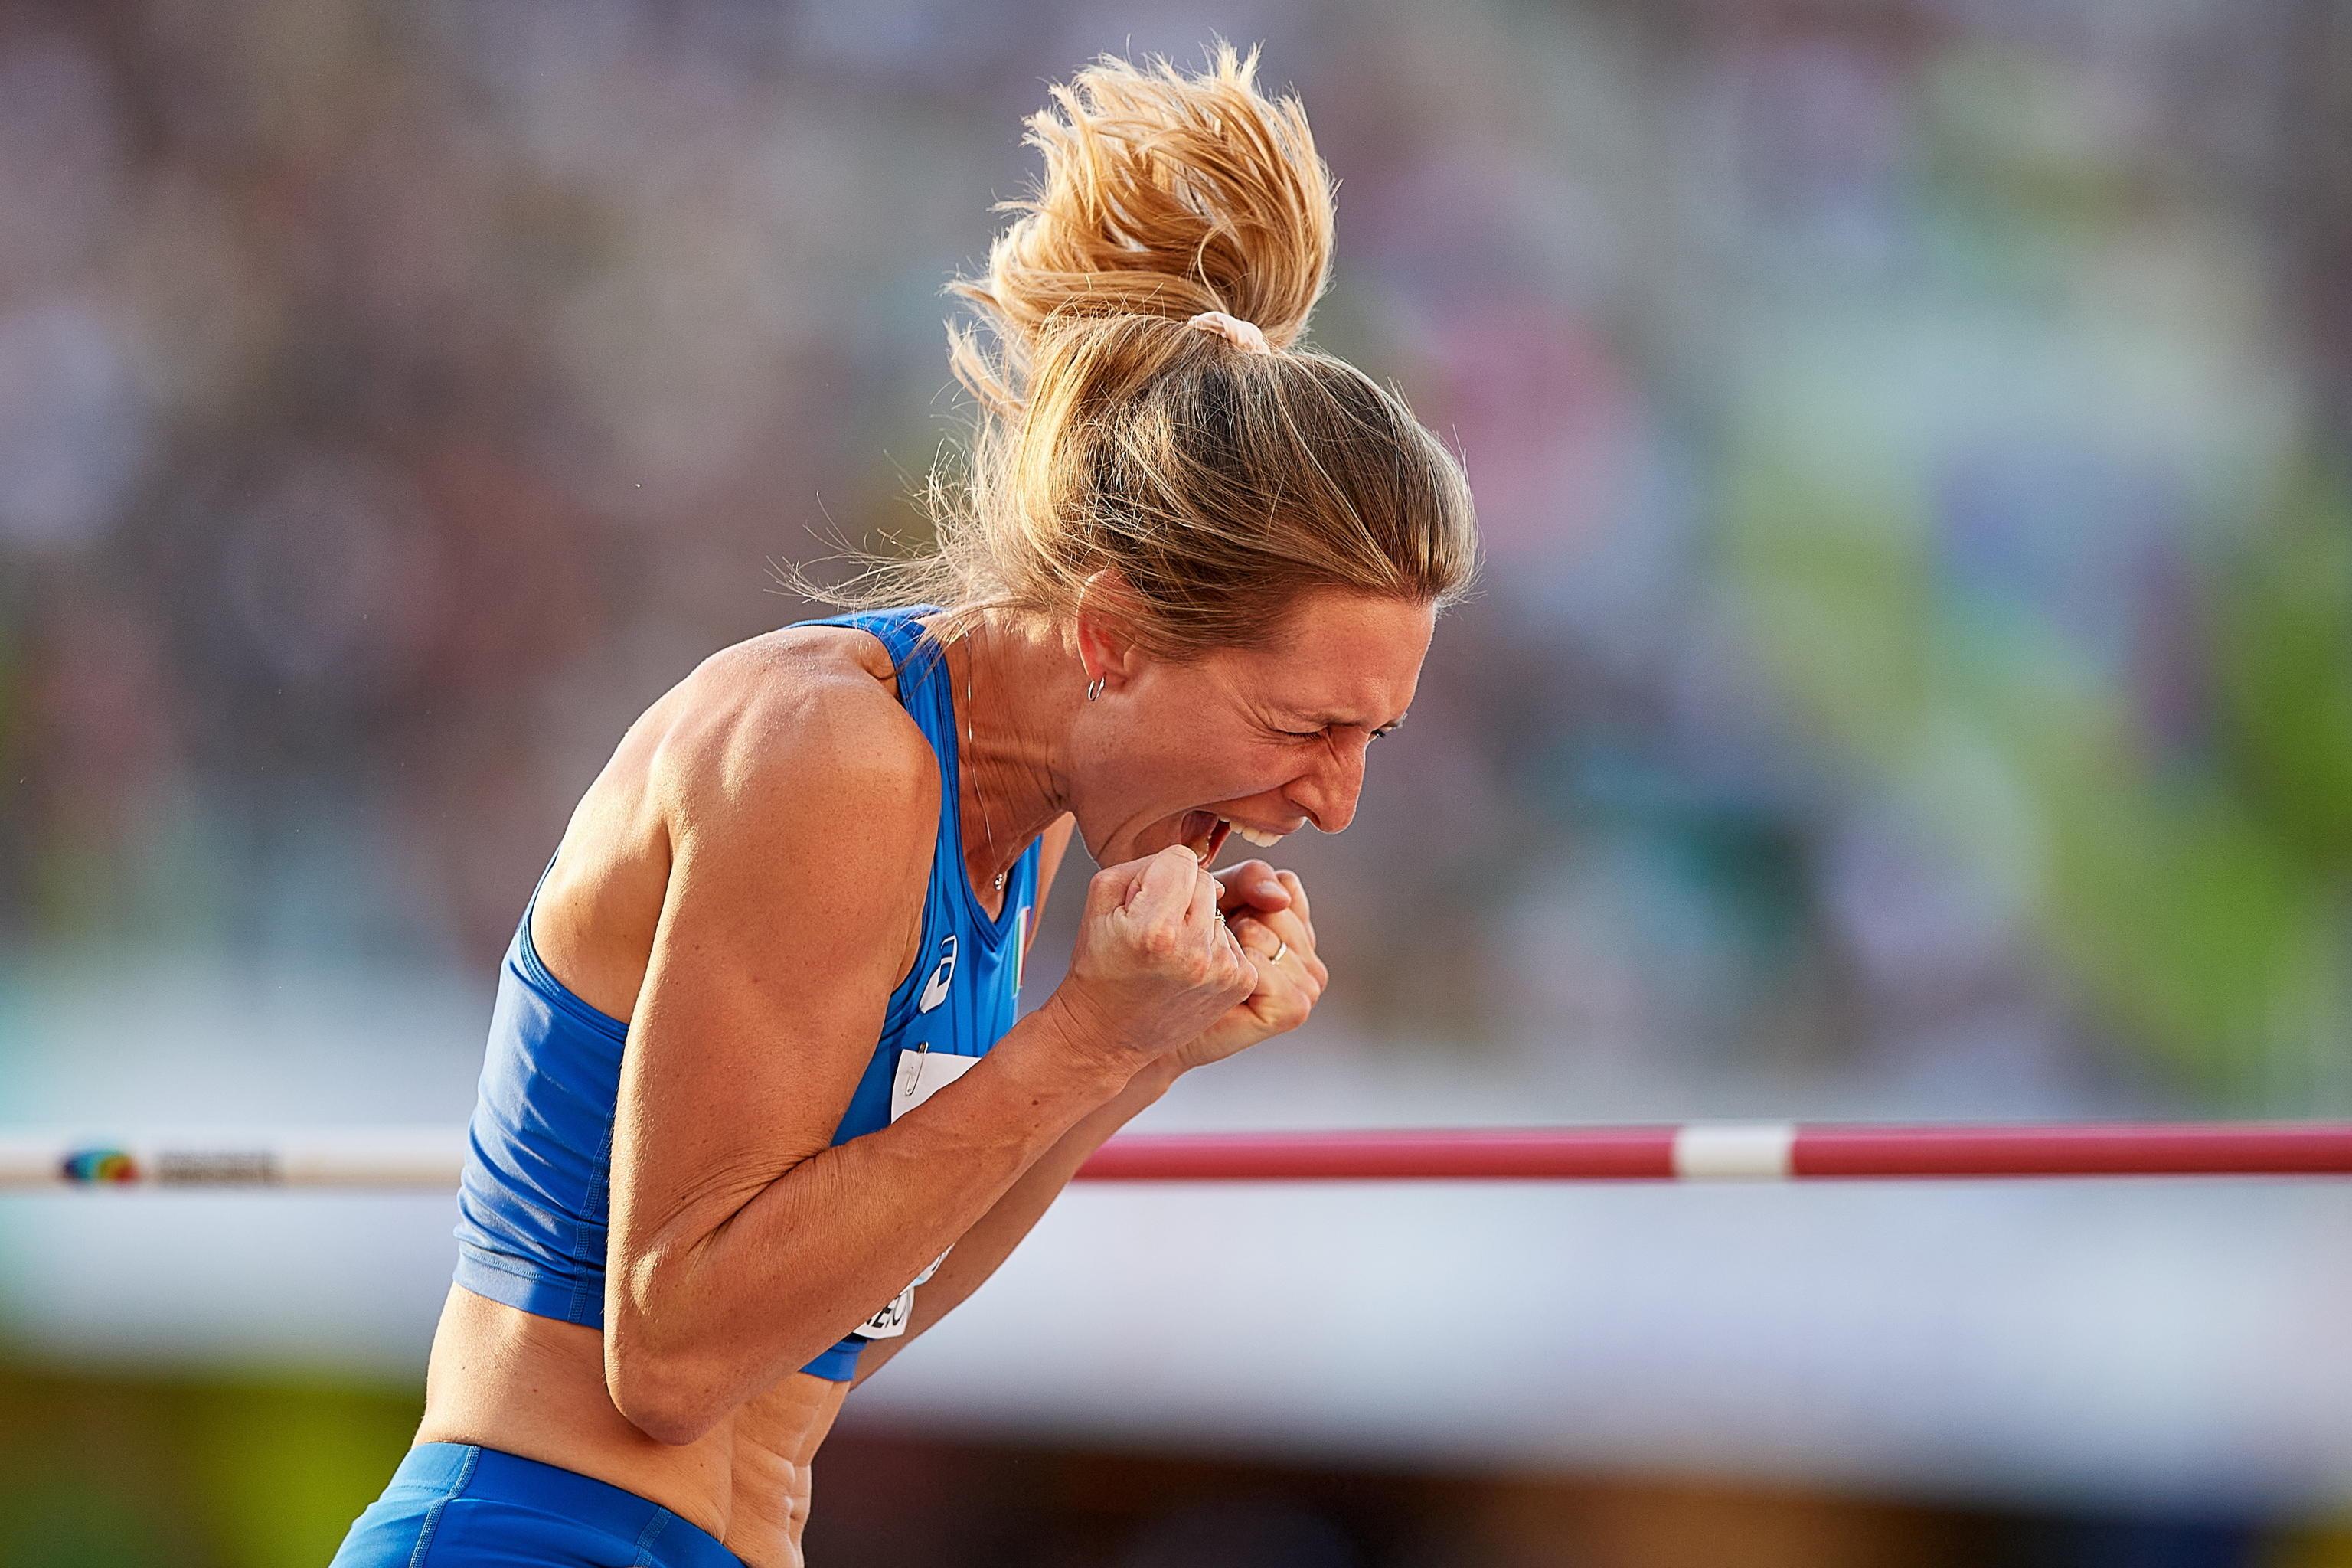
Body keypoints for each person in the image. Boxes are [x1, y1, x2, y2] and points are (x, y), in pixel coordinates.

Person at [332, 41, 1476, 1568]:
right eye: (1302, 724)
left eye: (1372, 740)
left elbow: (835, 1328)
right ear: (1112, 631)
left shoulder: (1033, 815)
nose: (1330, 801)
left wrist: (1129, 1057)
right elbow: (669, 1356)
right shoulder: (838, 758)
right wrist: (1071, 1041)